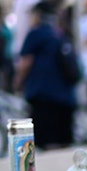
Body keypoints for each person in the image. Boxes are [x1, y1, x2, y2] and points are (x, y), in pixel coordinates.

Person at [14, 1, 75, 148]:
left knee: (43, 145)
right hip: (65, 98)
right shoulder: (60, 33)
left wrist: (17, 82)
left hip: (43, 98)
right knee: (62, 145)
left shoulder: (36, 34)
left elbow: (26, 62)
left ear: (38, 16)